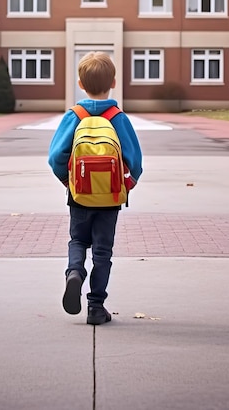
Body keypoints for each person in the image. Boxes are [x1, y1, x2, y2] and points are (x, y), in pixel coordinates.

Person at [48, 51, 143, 325]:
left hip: (79, 196)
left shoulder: (74, 116)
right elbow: (135, 162)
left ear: (80, 84)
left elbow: (56, 157)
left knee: (78, 240)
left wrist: (68, 182)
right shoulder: (117, 117)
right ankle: (96, 307)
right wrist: (124, 185)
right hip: (110, 198)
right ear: (113, 82)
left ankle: (75, 272)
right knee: (103, 251)